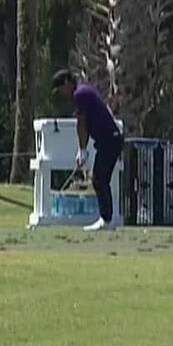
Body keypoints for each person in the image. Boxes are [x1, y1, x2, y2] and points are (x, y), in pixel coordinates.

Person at [51, 69, 123, 232]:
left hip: (110, 140)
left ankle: (106, 220)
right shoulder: (81, 92)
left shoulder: (80, 94)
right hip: (107, 140)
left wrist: (82, 150)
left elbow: (81, 124)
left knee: (99, 179)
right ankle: (106, 219)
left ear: (67, 83)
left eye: (60, 89)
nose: (61, 94)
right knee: (99, 178)